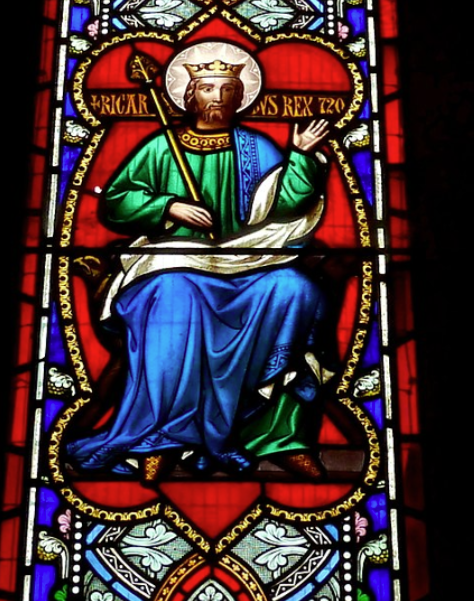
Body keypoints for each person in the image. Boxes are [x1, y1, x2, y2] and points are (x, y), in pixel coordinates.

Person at [67, 56, 335, 480]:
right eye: (208, 88)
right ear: (190, 96)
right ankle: (161, 435)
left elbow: (286, 205)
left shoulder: (256, 148)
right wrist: (167, 206)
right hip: (171, 260)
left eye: (228, 90)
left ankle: (272, 434)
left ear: (240, 98)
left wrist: (300, 155)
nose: (218, 98)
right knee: (175, 297)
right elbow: (116, 202)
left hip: (247, 260)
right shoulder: (160, 147)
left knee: (296, 289)